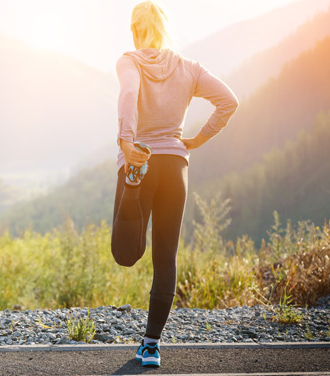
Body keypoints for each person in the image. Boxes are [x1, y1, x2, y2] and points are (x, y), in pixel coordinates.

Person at [110, 0, 239, 367]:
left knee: (126, 254)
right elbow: (228, 101)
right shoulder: (189, 68)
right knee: (166, 258)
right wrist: (197, 140)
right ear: (164, 29)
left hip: (141, 160)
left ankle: (133, 184)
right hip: (176, 166)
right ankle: (151, 346)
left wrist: (128, 141)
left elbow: (127, 96)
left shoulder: (129, 61)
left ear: (135, 29)